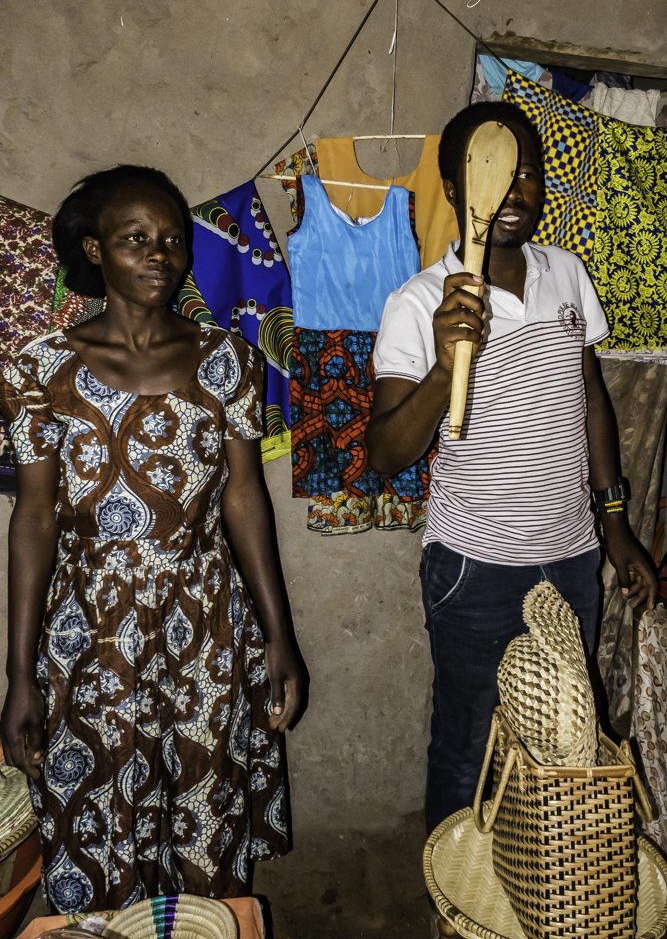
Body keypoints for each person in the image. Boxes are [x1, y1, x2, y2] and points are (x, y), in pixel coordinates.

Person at [0, 165, 303, 913]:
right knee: (98, 817)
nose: (159, 253)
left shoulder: (227, 359)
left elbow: (244, 498)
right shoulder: (40, 368)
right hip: (88, 635)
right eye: (135, 238)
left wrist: (279, 636)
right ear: (94, 249)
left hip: (208, 626)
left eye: (171, 238)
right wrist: (19, 675)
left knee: (206, 815)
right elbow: (33, 518)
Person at [365, 101, 657, 837]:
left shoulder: (566, 273)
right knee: (468, 747)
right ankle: (453, 890)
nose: (513, 190)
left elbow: (590, 398)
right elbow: (386, 454)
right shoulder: (418, 302)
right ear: (453, 187)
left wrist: (615, 524)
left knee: (561, 740)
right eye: (494, 174)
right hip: (475, 565)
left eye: (528, 172)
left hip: (571, 558)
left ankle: (531, 879)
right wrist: (445, 366)